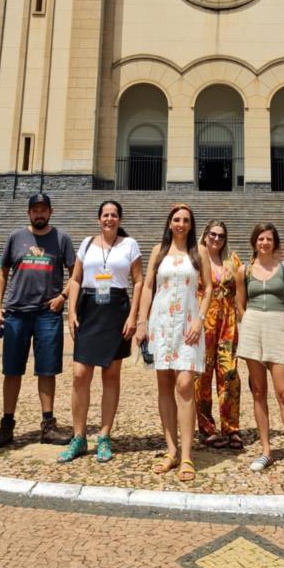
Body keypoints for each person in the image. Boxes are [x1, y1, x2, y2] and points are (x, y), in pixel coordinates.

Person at [0, 192, 75, 451]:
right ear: (28, 213)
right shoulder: (16, 237)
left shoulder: (62, 239)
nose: (39, 214)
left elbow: (75, 273)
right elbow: (2, 273)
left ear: (50, 212)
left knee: (47, 369)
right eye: (35, 210)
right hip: (16, 312)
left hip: (48, 312)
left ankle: (48, 425)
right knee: (12, 370)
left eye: (43, 210)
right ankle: (7, 424)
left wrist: (63, 296)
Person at [58, 200, 143, 464]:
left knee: (111, 375)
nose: (109, 219)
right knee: (80, 375)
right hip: (89, 308)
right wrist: (71, 312)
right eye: (105, 215)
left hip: (116, 309)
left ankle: (104, 436)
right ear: (99, 219)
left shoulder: (129, 245)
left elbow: (139, 281)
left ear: (119, 219)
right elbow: (74, 279)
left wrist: (133, 316)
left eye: (114, 215)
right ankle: (79, 436)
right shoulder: (86, 244)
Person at [135, 204, 212, 483]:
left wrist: (200, 319)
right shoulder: (159, 251)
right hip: (161, 324)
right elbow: (146, 287)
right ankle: (171, 450)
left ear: (191, 225)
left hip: (188, 325)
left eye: (186, 220)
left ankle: (188, 454)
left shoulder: (199, 251)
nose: (181, 224)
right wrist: (142, 322)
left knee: (184, 384)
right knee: (165, 385)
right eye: (176, 220)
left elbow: (210, 288)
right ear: (169, 223)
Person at [236, 223, 284, 482]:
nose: (264, 243)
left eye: (269, 239)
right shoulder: (244, 270)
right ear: (254, 242)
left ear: (275, 242)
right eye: (260, 238)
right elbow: (240, 305)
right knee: (258, 392)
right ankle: (266, 450)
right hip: (252, 325)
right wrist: (248, 325)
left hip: (278, 326)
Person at [195, 219, 242, 449]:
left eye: (221, 236)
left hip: (227, 323)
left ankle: (231, 428)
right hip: (203, 322)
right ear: (205, 235)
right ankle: (207, 428)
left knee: (229, 375)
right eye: (212, 234)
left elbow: (241, 293)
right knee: (201, 376)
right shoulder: (195, 258)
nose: (216, 239)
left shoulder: (232, 261)